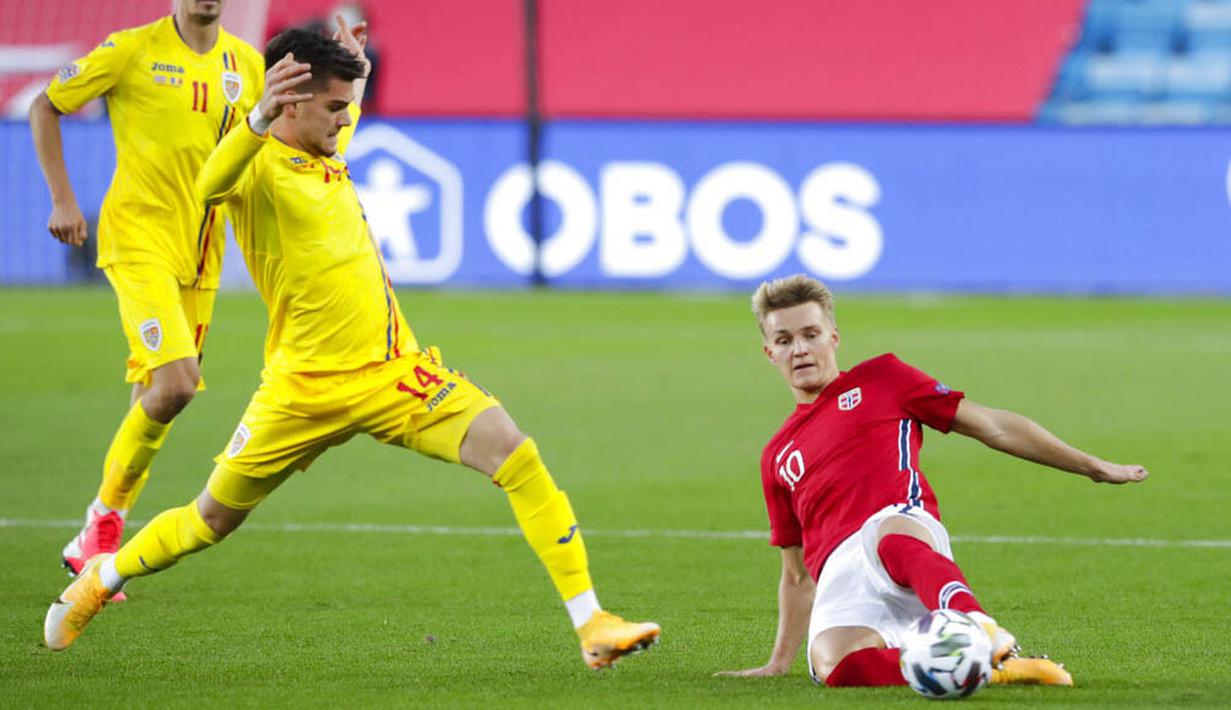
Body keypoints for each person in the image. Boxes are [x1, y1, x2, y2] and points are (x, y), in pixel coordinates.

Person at [43, 21, 661, 671]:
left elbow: (339, 108)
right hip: (300, 390)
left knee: (515, 453)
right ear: (287, 102)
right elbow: (209, 186)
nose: (346, 121)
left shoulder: (322, 145)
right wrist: (253, 119)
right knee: (209, 521)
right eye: (335, 108)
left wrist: (355, 70)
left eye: (347, 107)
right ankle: (104, 574)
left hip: (392, 373)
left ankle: (591, 622)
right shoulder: (255, 168)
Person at [716, 274, 1148, 688]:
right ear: (769, 353)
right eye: (785, 340)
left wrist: (1091, 465)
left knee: (888, 535)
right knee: (834, 665)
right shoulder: (777, 455)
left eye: (811, 334)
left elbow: (992, 426)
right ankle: (986, 669)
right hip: (841, 575)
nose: (800, 350)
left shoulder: (884, 378)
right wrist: (777, 664)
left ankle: (980, 629)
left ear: (834, 336)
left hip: (900, 532)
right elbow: (795, 575)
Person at [28, 0, 264, 597]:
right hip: (138, 240)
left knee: (158, 396)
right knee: (178, 384)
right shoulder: (133, 49)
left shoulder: (248, 65)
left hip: (202, 255)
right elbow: (45, 105)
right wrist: (62, 198)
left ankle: (97, 535)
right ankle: (100, 527)